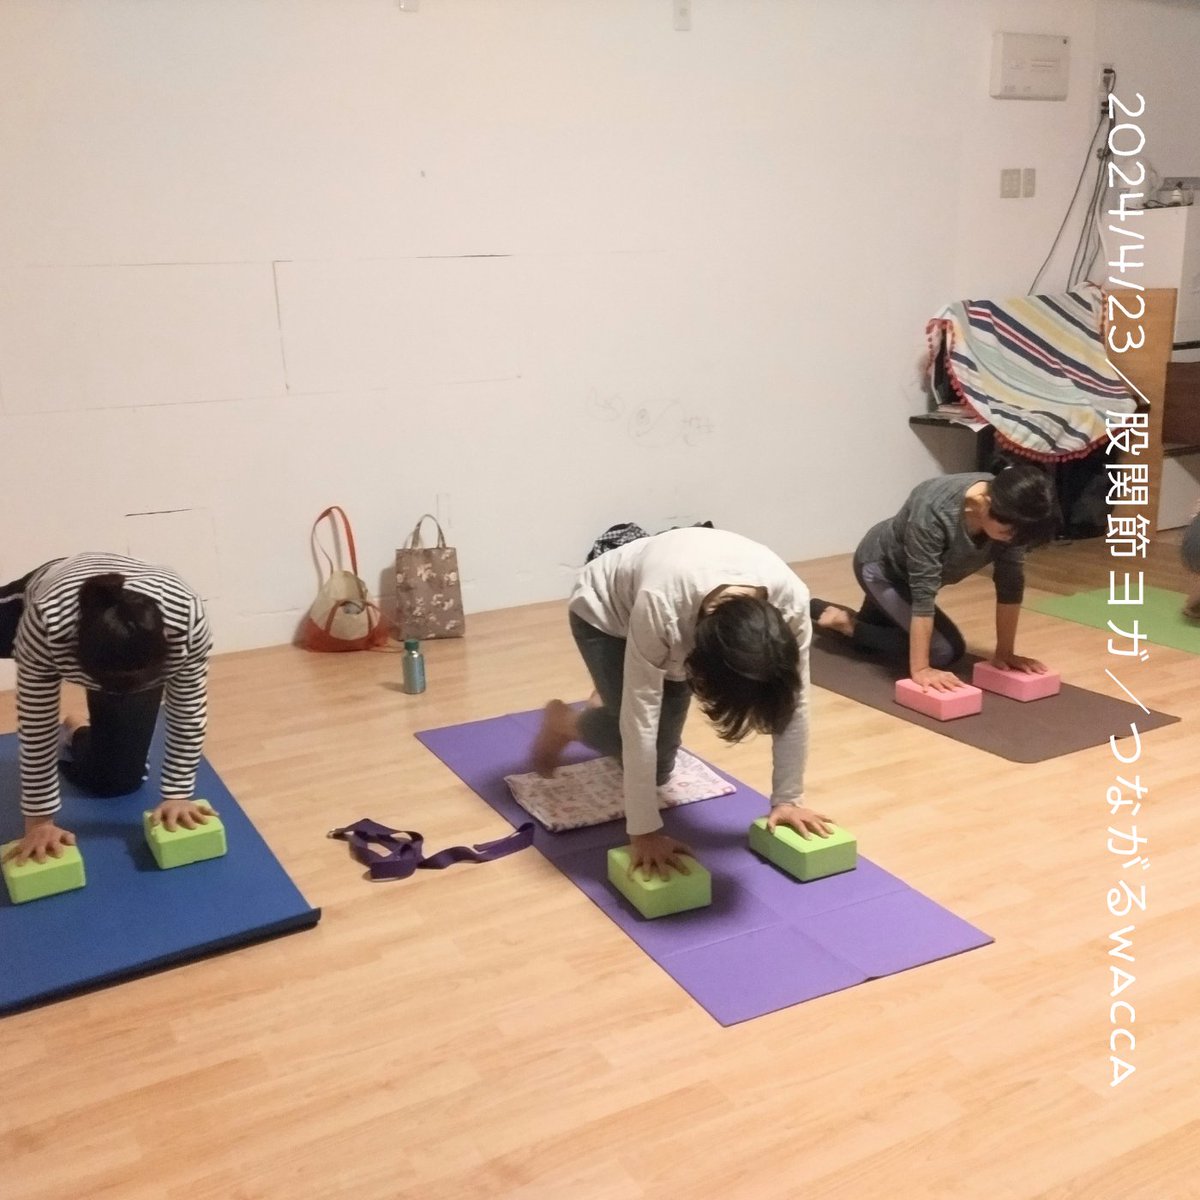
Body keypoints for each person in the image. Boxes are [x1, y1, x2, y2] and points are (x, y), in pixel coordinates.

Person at [531, 525, 831, 880]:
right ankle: (563, 721)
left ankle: (609, 693)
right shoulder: (663, 605)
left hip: (677, 608)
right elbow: (640, 719)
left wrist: (788, 799)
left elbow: (793, 703)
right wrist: (643, 832)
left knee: (658, 769)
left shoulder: (791, 604)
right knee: (629, 730)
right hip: (605, 610)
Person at [1, 553, 215, 866]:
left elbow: (188, 709)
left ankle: (78, 727)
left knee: (116, 781)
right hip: (51, 592)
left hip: (131, 645)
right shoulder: (48, 622)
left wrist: (178, 794)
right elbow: (37, 722)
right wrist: (39, 822)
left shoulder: (186, 622)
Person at [809, 464, 1059, 691]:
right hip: (883, 570)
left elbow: (1010, 583)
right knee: (945, 650)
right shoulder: (934, 508)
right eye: (1008, 533)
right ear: (986, 503)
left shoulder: (1014, 509)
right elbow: (922, 594)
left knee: (874, 639)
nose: (1013, 540)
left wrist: (1005, 652)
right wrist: (921, 669)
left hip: (909, 581)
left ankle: (828, 614)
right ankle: (847, 625)